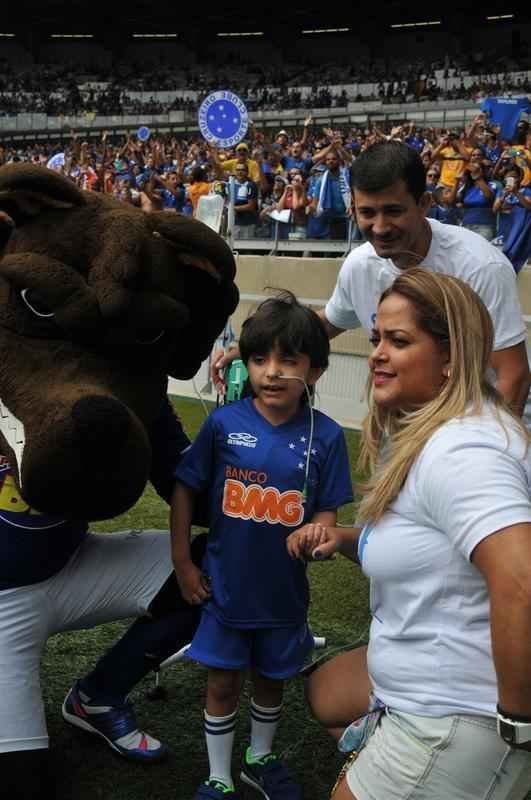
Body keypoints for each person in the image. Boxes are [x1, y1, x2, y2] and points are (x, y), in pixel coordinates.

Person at [294, 268, 531, 800]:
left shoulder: (464, 450)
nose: (377, 352)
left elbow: (522, 581)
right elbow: (432, 547)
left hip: (456, 712)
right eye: (377, 337)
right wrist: (348, 540)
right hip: (411, 684)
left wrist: (519, 727)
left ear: (452, 359)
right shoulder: (434, 433)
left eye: (399, 341)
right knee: (324, 692)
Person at [171, 292, 353, 800]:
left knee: (273, 680)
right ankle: (219, 776)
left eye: (287, 360)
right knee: (223, 684)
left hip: (283, 597)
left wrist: (319, 534)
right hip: (225, 591)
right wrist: (184, 562)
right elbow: (186, 489)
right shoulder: (224, 424)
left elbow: (326, 510)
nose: (271, 372)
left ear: (314, 371)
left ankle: (259, 757)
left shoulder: (328, 436)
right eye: (258, 359)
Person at [213, 140, 530, 416]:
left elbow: (512, 375)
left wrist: (487, 452)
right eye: (367, 213)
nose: (379, 227)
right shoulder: (360, 265)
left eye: (393, 211)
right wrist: (254, 346)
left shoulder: (479, 266)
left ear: (423, 205)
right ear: (353, 209)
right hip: (410, 426)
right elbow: (324, 325)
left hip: (483, 429)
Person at [1, 399, 206, 800]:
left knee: (215, 567)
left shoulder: (87, 371)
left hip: (73, 563)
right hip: (4, 605)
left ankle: (97, 696)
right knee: (20, 782)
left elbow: (183, 473)